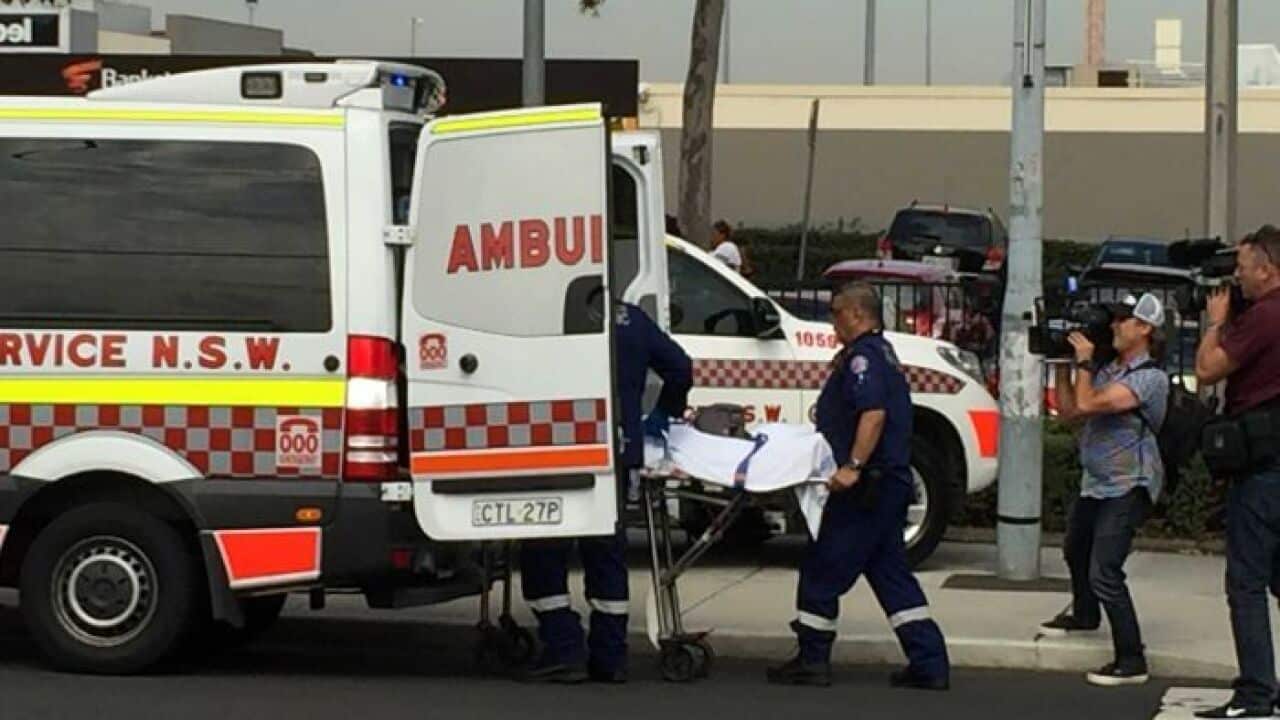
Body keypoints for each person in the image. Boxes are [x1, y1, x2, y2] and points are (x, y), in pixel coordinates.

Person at [767, 282, 950, 689]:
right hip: (888, 483)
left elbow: (873, 415)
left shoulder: (864, 359)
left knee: (822, 567)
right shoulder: (878, 352)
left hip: (867, 486)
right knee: (890, 574)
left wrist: (852, 465)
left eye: (836, 312)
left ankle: (813, 658)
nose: (832, 321)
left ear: (856, 314)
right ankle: (930, 661)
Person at [521, 300, 693, 685]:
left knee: (544, 551)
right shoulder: (630, 317)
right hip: (618, 450)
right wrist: (665, 411)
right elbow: (680, 367)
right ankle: (611, 657)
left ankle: (564, 649)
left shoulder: (548, 310)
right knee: (606, 555)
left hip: (559, 445)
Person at [1040, 292, 1169, 687]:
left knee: (1105, 570)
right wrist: (1062, 362)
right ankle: (1084, 614)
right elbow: (1070, 412)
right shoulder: (1110, 369)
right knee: (1075, 550)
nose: (1114, 326)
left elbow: (1091, 403)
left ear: (1145, 328)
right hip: (1096, 483)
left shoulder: (1150, 378)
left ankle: (1131, 659)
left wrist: (1082, 363)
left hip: (1130, 484)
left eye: (1124, 320)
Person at [1191, 226, 1280, 719]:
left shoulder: (1264, 316)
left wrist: (1216, 323)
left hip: (1264, 470)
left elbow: (1207, 370)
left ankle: (1254, 695)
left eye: (1243, 267)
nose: (1238, 276)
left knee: (1245, 582)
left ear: (1267, 268)